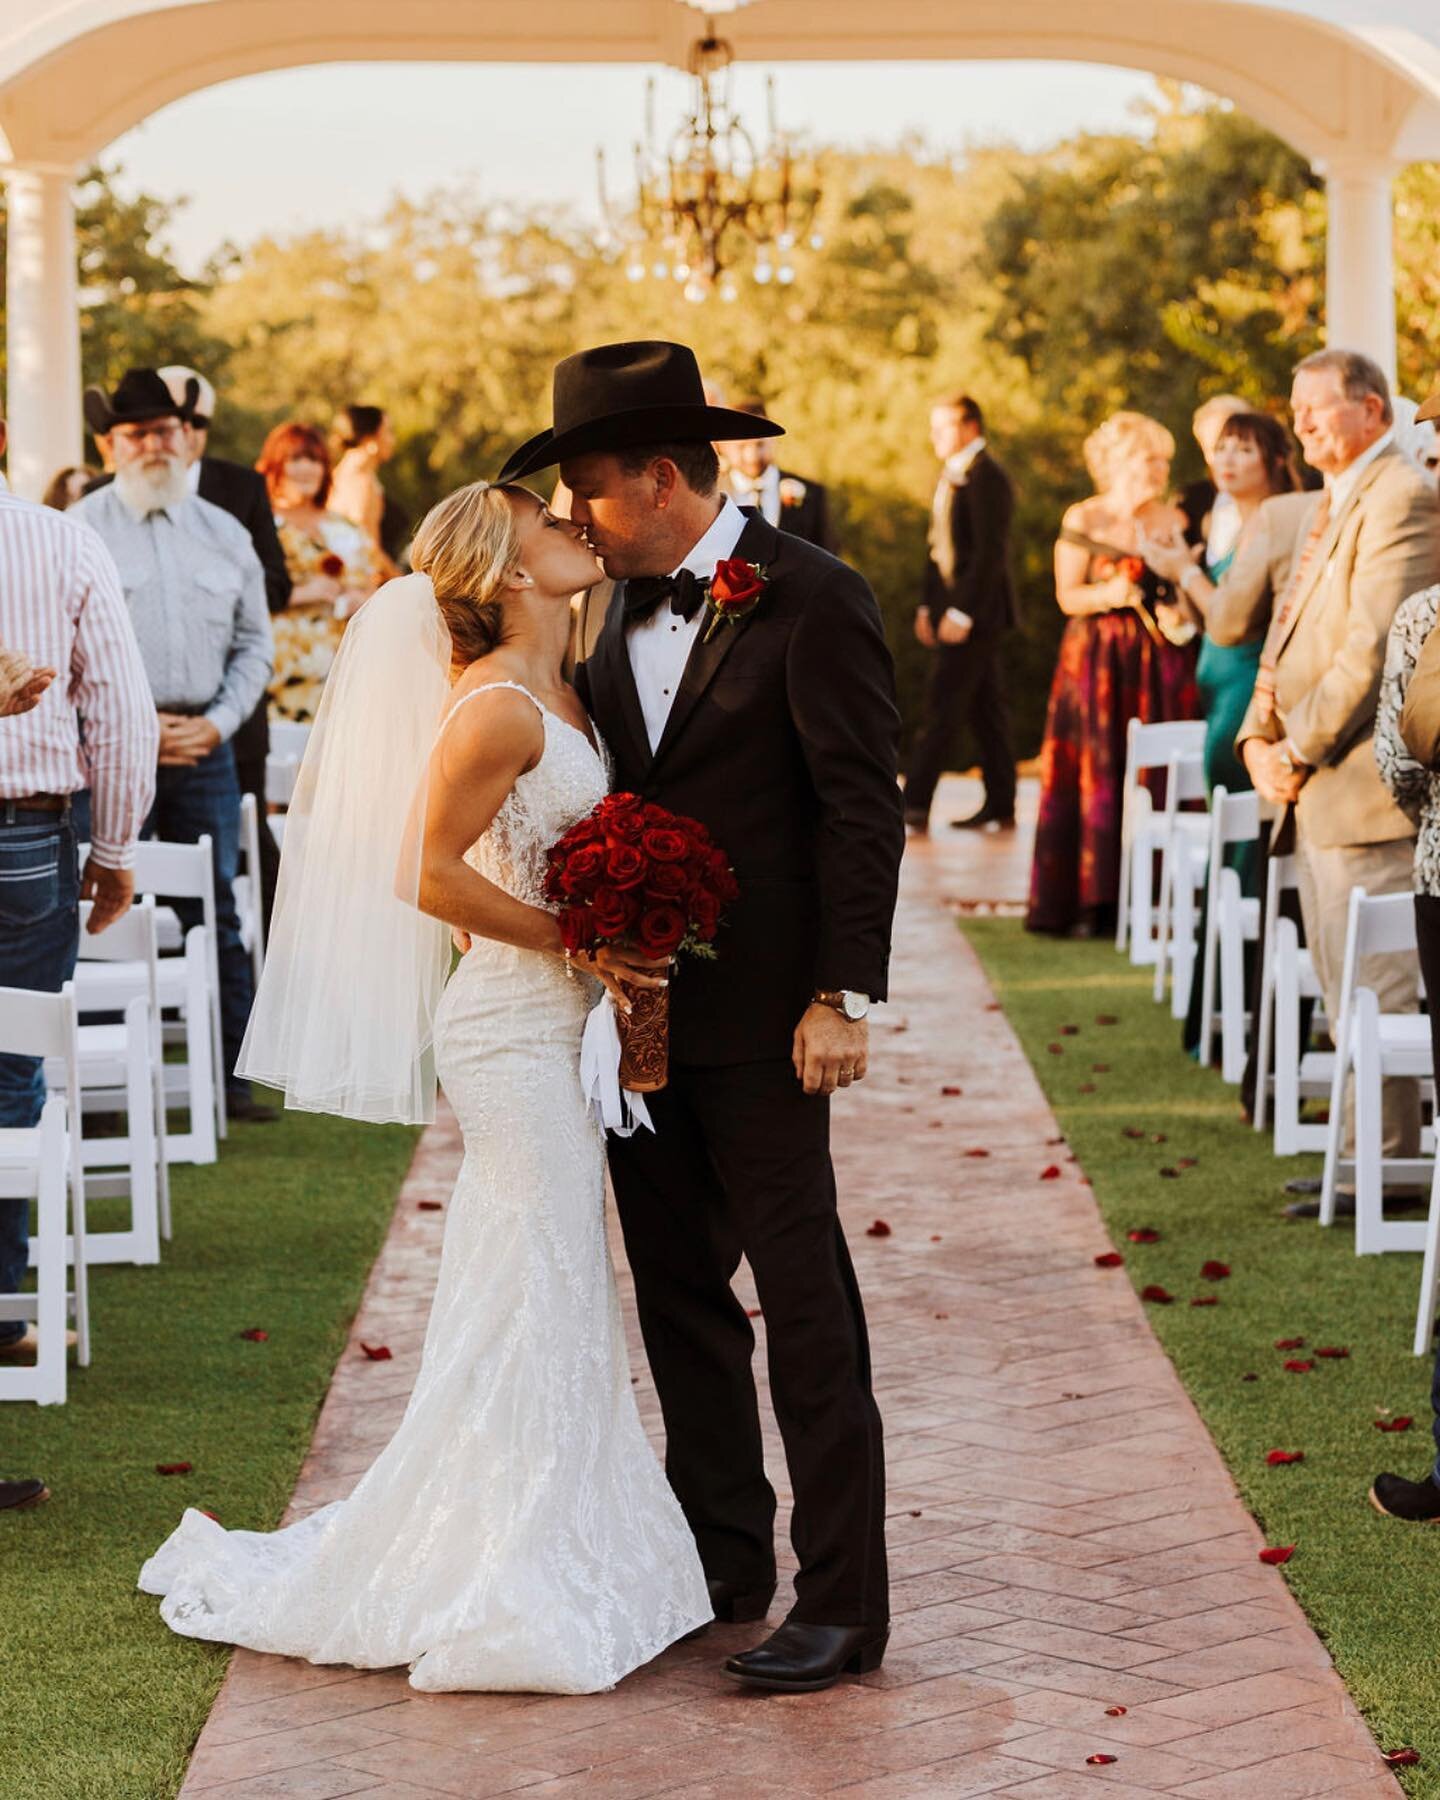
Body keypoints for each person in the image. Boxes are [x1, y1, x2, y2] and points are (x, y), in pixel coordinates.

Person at [140, 481, 711, 1690]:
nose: (577, 531)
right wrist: (574, 940)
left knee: (546, 1274)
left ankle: (562, 1539)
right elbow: (426, 871)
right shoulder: (497, 708)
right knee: (538, 1270)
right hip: (510, 1032)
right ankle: (501, 1569)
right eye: (551, 526)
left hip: (566, 1022)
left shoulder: (566, 689)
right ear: (508, 570)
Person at [514, 340, 904, 1694]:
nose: (575, 525)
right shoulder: (602, 611)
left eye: (588, 498)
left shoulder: (816, 596)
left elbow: (862, 806)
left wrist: (840, 993)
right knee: (679, 1299)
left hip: (778, 1024)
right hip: (642, 1026)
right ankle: (721, 1562)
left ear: (662, 479)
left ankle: (844, 1604)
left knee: (807, 1312)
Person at [1235, 349, 1440, 1220]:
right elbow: (1284, 635)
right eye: (1297, 408)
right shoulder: (1333, 500)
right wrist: (1256, 735)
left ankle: (1382, 1172)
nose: (1302, 422)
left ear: (1371, 408)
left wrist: (1300, 749)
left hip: (1357, 787)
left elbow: (1372, 653)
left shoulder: (1401, 495)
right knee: (1341, 983)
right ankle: (1357, 1159)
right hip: (1309, 783)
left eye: (1318, 408)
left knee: (1378, 988)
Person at [70, 369, 275, 1125]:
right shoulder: (80, 528)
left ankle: (229, 1080)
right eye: (137, 433)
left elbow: (256, 644)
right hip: (108, 748)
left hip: (205, 746)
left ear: (185, 436)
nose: (155, 445)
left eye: (166, 430)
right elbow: (63, 649)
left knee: (213, 907)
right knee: (102, 909)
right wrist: (128, 725)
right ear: (108, 444)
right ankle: (95, 1090)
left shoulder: (227, 533)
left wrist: (219, 723)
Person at [0, 412, 158, 1364]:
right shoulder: (61, 541)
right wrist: (113, 848)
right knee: (11, 1069)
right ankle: (2, 1314)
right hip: (27, 837)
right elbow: (121, 712)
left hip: (32, 832)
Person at [1026, 411, 1198, 936]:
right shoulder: (1086, 517)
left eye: (1164, 461)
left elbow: (1188, 592)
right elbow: (1066, 594)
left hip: (1155, 661)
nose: (1159, 469)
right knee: (1092, 770)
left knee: (1151, 772)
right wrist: (1111, 594)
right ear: (1122, 461)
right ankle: (1087, 899)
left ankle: (1152, 897)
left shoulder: (1172, 518)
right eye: (1151, 459)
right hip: (1096, 661)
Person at [1144, 411, 1300, 793]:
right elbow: (1208, 618)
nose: (1226, 460)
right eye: (1221, 449)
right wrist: (1178, 568)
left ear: (1276, 459)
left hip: (1245, 689)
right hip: (1215, 686)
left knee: (1237, 804)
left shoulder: (1276, 522)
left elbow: (1231, 618)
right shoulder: (1227, 526)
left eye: (1243, 449)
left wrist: (1184, 571)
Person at [904, 392, 1018, 833]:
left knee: (942, 706)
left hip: (977, 615)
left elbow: (990, 554)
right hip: (950, 610)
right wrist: (927, 606)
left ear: (971, 427)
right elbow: (939, 552)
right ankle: (1002, 802)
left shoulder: (988, 476)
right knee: (987, 712)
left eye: (943, 427)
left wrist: (962, 613)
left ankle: (913, 804)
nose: (934, 436)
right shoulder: (950, 474)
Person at [257, 422, 381, 724]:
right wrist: (302, 593)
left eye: (314, 460)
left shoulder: (345, 529)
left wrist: (360, 599)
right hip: (279, 681)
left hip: (340, 678)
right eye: (296, 459)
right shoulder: (261, 525)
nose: (307, 469)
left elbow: (374, 586)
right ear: (276, 465)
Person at [717, 399, 836, 551]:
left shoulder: (812, 493)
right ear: (724, 446)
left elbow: (828, 553)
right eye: (741, 447)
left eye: (760, 444)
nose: (752, 456)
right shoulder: (712, 493)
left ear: (772, 441)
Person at [328, 403, 404, 571]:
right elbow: (367, 547)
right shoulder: (359, 481)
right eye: (388, 432)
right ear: (370, 439)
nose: (392, 440)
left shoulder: (341, 474)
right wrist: (401, 581)